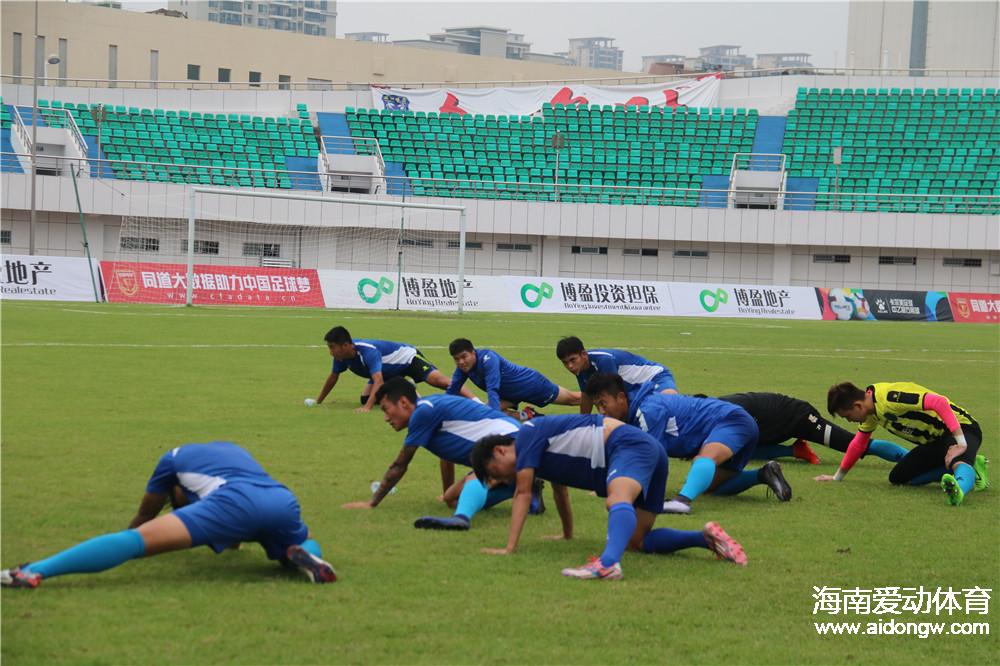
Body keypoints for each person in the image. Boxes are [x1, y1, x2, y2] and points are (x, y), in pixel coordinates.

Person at [1, 442, 336, 589]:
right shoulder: (230, 450)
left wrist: (136, 534)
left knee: (133, 542)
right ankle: (308, 556)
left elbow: (144, 515)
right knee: (296, 545)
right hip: (281, 498)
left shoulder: (171, 461)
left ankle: (31, 572)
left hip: (235, 503)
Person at [470, 414, 748, 580]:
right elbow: (559, 489)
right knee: (637, 541)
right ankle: (705, 538)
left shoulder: (527, 434)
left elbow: (522, 493)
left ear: (500, 451)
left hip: (626, 444)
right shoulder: (539, 455)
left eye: (495, 472)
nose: (502, 480)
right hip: (645, 451)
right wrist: (567, 534)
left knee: (617, 499)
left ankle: (607, 565)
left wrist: (510, 547)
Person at [341, 377, 545, 529]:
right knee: (450, 499)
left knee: (473, 483)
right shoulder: (428, 412)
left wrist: (372, 502)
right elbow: (445, 455)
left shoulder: (423, 412)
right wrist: (446, 491)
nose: (386, 417)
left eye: (386, 409)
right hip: (515, 444)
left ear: (403, 403)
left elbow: (400, 464)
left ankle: (461, 519)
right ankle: (525, 488)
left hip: (511, 443)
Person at [583, 374, 792, 514]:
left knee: (704, 459)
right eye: (597, 406)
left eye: (603, 403)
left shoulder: (647, 411)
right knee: (713, 488)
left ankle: (682, 501)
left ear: (620, 398)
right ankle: (763, 473)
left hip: (730, 420)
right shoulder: (636, 412)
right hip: (735, 424)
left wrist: (619, 489)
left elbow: (647, 457)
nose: (601, 411)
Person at [818, 382, 990, 506]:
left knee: (957, 460)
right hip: (934, 441)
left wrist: (961, 443)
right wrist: (837, 477)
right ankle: (971, 468)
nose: (849, 421)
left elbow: (939, 402)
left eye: (847, 416)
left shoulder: (889, 397)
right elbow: (858, 444)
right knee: (899, 478)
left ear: (857, 406)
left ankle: (958, 491)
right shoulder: (870, 412)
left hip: (962, 428)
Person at [709, 391, 910, 466]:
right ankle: (796, 450)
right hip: (772, 425)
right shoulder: (714, 412)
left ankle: (911, 457)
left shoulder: (725, 411)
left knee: (858, 445)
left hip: (800, 417)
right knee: (742, 451)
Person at [313, 326, 473, 413]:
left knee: (439, 381)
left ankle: (476, 402)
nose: (330, 351)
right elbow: (333, 377)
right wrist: (318, 401)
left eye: (332, 347)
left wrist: (367, 408)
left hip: (409, 358)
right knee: (366, 398)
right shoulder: (341, 357)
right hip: (389, 372)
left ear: (346, 345)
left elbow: (378, 380)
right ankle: (405, 384)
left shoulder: (368, 351)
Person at [446, 338, 580, 416]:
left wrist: (492, 419)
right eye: (457, 359)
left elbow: (493, 389)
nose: (461, 362)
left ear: (473, 352)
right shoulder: (462, 368)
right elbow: (452, 391)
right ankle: (530, 417)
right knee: (485, 412)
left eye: (464, 357)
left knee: (572, 400)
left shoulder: (488, 358)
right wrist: (439, 411)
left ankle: (597, 397)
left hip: (531, 385)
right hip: (510, 395)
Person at [555, 336, 677, 414]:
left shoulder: (603, 360)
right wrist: (582, 424)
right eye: (565, 363)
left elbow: (612, 397)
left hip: (655, 377)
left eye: (573, 360)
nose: (570, 366)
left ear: (584, 354)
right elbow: (587, 397)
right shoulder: (580, 368)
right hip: (634, 388)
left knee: (669, 402)